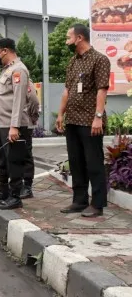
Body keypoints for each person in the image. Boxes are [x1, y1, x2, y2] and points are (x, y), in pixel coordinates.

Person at [56, 24, 110, 218]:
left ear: (79, 38)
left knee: (93, 163)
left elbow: (102, 90)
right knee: (76, 162)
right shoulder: (72, 62)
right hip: (72, 120)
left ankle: (97, 204)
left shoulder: (100, 59)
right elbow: (67, 90)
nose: (66, 41)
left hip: (90, 121)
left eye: (68, 37)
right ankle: (79, 201)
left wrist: (98, 117)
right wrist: (61, 115)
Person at [0, 38, 30, 210]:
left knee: (14, 161)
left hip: (10, 125)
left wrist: (15, 126)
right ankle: (3, 191)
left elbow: (19, 99)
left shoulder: (18, 70)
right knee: (1, 161)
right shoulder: (7, 70)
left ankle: (15, 196)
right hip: (0, 123)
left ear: (4, 50)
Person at [21, 80, 40, 199]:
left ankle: (27, 187)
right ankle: (21, 184)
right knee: (18, 155)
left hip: (24, 123)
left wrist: (33, 116)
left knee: (26, 154)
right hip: (16, 123)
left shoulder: (26, 82)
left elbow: (33, 99)